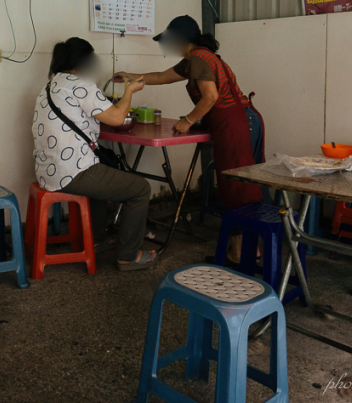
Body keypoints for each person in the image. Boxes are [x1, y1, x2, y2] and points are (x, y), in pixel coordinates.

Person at [113, 15, 265, 265]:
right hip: (238, 121)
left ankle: (242, 252)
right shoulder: (195, 59)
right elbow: (161, 77)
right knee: (238, 186)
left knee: (237, 188)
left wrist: (188, 121)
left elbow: (211, 96)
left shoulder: (199, 58)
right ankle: (249, 249)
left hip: (235, 123)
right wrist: (131, 76)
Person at [32, 37, 157, 271]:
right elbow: (118, 118)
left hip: (48, 171)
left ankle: (97, 239)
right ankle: (128, 257)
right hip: (72, 172)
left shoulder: (52, 85)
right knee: (140, 189)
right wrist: (129, 90)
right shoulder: (81, 84)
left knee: (103, 175)